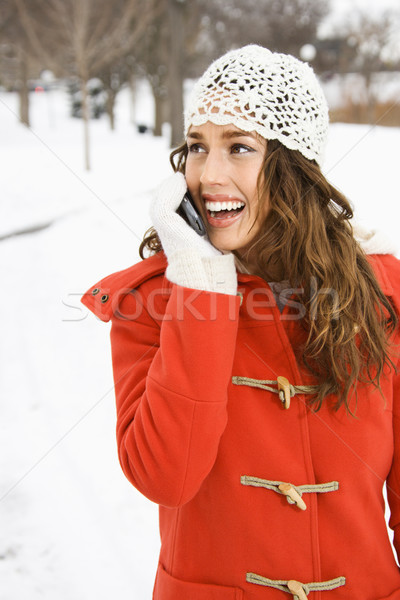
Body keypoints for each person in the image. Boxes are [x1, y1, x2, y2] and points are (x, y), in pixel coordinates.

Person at [81, 45, 400, 599]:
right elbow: (165, 475)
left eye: (240, 146)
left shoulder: (382, 296)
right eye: (198, 147)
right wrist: (200, 288)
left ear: (294, 167)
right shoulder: (151, 306)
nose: (210, 174)